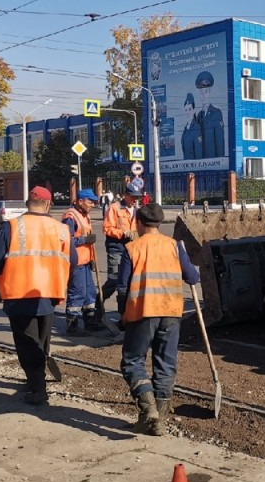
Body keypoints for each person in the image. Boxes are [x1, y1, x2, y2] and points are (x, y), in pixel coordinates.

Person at [0, 186, 75, 406]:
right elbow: (72, 261)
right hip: (49, 293)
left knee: (26, 342)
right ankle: (37, 380)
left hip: (19, 292)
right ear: (48, 204)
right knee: (41, 340)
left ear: (27, 203)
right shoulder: (61, 229)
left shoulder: (12, 227)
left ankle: (37, 388)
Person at [117, 203, 199, 435]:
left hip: (142, 312)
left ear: (139, 223)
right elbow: (192, 277)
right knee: (165, 363)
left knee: (132, 361)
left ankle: (148, 409)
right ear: (160, 223)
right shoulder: (174, 246)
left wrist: (123, 314)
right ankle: (159, 421)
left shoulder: (132, 248)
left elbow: (123, 288)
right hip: (172, 312)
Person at [61, 189, 100, 335]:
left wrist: (92, 259)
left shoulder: (84, 215)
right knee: (77, 292)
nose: (93, 204)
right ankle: (72, 325)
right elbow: (66, 240)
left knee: (89, 293)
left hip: (85, 261)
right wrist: (85, 240)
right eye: (90, 201)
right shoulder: (70, 217)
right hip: (75, 262)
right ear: (80, 201)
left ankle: (90, 321)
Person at [102, 181, 142, 311]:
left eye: (137, 197)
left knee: (127, 282)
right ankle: (98, 306)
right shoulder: (115, 208)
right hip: (117, 249)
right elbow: (107, 228)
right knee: (114, 280)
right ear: (125, 195)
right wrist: (123, 233)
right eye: (132, 196)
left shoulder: (137, 211)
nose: (135, 200)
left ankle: (123, 313)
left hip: (131, 250)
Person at [194, 71, 224, 158]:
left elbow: (219, 141)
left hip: (213, 160)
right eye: (201, 92)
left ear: (210, 93)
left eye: (206, 92)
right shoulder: (199, 116)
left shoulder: (216, 113)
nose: (203, 95)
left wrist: (220, 160)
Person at [180, 93, 202, 159]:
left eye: (190, 109)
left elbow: (198, 152)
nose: (188, 113)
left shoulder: (196, 128)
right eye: (186, 110)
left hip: (194, 167)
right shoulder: (185, 129)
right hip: (186, 166)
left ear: (193, 110)